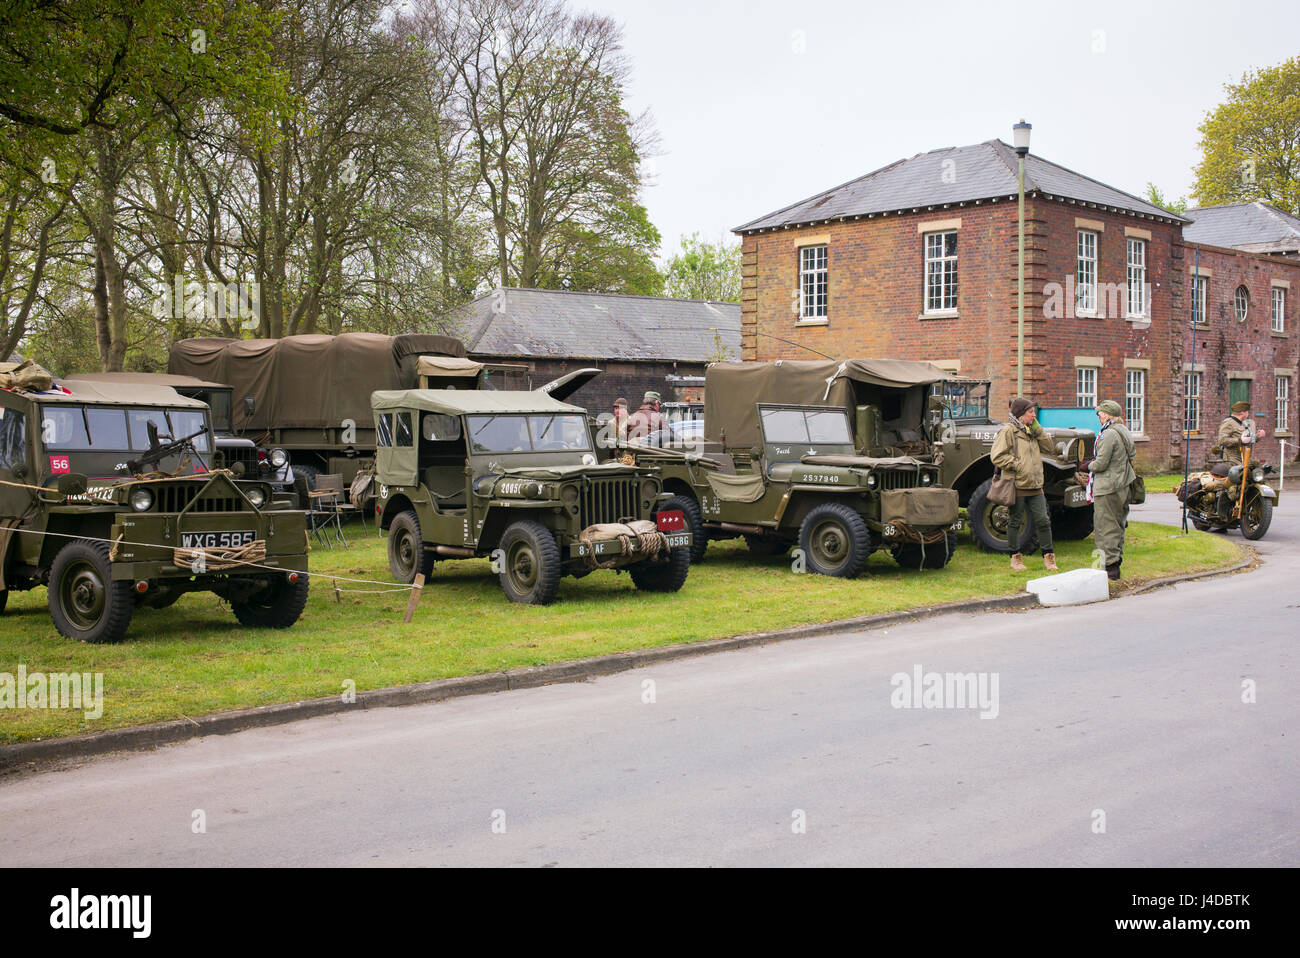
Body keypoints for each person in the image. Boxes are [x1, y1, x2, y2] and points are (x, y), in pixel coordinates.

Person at [991, 396, 1058, 573]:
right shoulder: (1008, 431)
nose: (1034, 415)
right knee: (1015, 521)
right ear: (1021, 415)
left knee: (1043, 521)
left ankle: (1049, 558)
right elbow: (997, 456)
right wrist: (1018, 465)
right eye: (1030, 412)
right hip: (1017, 484)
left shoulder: (1032, 431)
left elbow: (1049, 448)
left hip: (1035, 485)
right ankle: (1015, 558)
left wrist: (1039, 430)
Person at [1084, 400, 1136, 581]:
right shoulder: (1124, 431)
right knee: (1118, 525)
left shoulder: (1109, 435)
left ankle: (1109, 569)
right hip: (1123, 485)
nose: (1098, 417)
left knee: (1105, 527)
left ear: (1106, 415)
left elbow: (1101, 463)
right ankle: (1115, 563)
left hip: (1108, 487)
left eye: (1099, 414)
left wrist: (1086, 466)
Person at [1216, 400, 1265, 465]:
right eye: (1247, 411)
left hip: (1244, 458)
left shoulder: (1244, 423)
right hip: (1232, 460)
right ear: (1243, 413)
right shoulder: (1228, 423)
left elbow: (1247, 440)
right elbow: (1222, 441)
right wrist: (1240, 440)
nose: (1248, 413)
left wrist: (1258, 436)